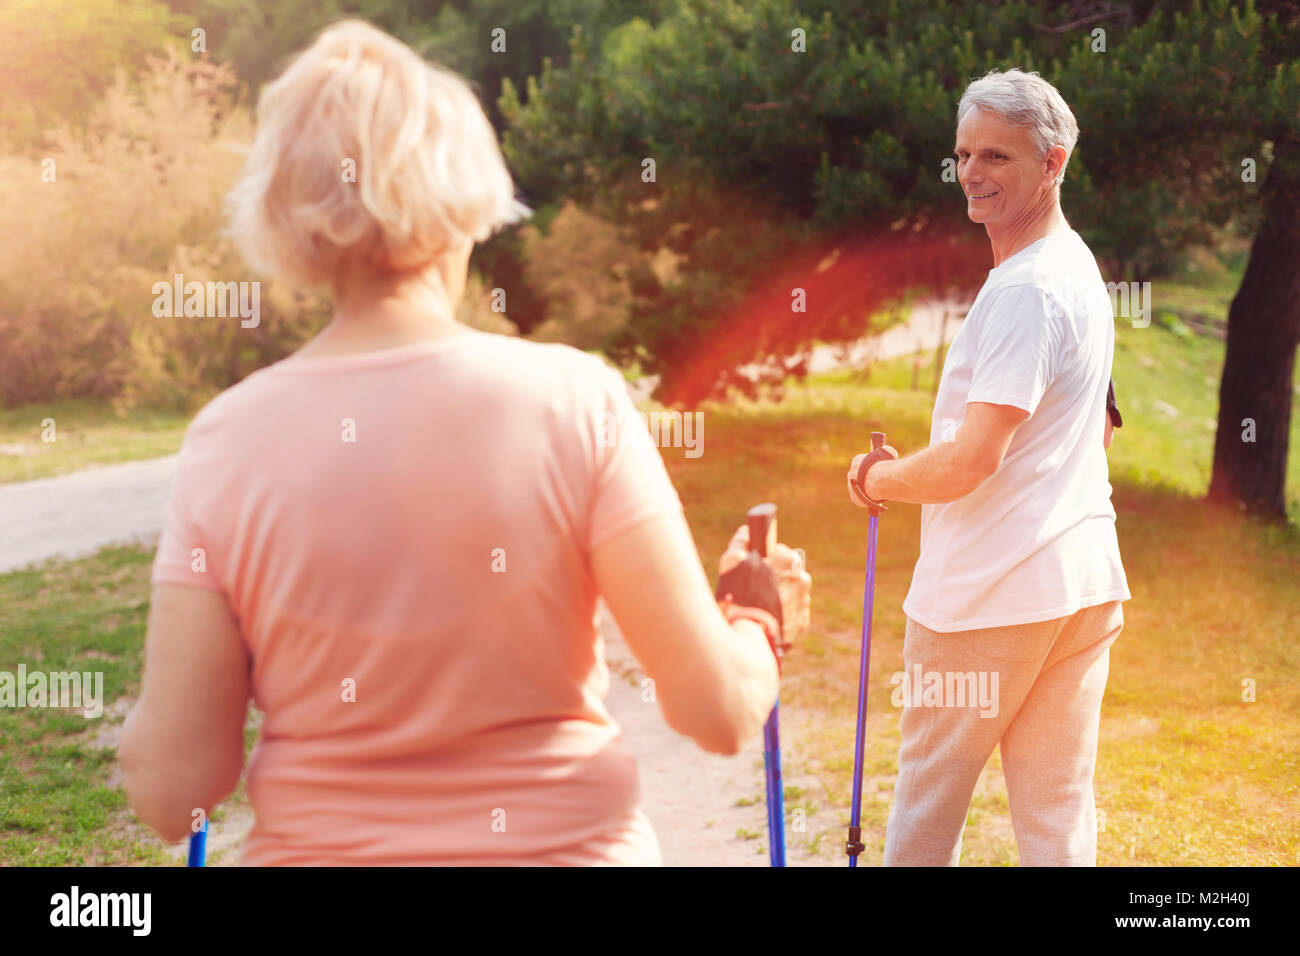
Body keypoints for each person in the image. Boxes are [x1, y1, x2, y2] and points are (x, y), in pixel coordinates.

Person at [119, 19, 808, 866]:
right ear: (461, 197)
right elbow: (716, 709)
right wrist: (755, 622)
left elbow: (171, 790)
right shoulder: (573, 399)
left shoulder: (225, 442)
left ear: (285, 210)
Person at [846, 68, 1131, 866]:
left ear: (1054, 162)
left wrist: (880, 481)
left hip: (985, 601)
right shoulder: (1074, 267)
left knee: (927, 812)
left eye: (998, 157)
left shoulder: (1026, 291)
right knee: (1057, 817)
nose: (973, 173)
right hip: (1078, 590)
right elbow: (1100, 425)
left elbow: (973, 460)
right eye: (965, 154)